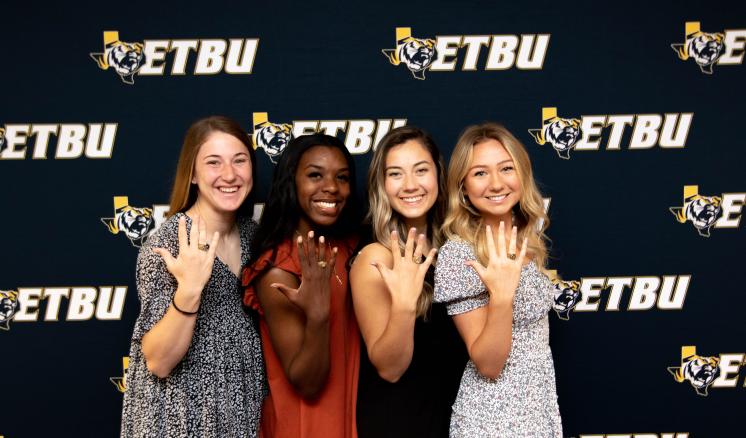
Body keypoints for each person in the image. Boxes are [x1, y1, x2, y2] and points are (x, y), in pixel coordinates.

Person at [120, 116, 266, 438]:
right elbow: (158, 361)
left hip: (238, 416)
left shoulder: (254, 239)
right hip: (181, 420)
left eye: (239, 161)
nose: (229, 174)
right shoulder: (167, 245)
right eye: (213, 163)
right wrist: (189, 290)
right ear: (194, 174)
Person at [433, 122, 562, 437]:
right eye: (480, 173)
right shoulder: (459, 254)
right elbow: (488, 365)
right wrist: (502, 297)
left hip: (539, 413)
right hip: (492, 420)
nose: (496, 183)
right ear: (463, 187)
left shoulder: (527, 239)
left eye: (506, 168)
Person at [350, 126, 467, 437]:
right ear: (382, 184)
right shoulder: (376, 257)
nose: (411, 185)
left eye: (421, 170)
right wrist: (403, 304)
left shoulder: (455, 250)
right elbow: (389, 369)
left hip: (457, 420)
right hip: (400, 422)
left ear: (439, 177)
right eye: (396, 174)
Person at [242, 133, 361, 438]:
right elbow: (307, 383)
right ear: (291, 182)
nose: (332, 187)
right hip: (306, 425)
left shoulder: (349, 248)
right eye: (315, 175)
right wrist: (318, 314)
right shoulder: (278, 269)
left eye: (342, 177)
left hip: (350, 417)